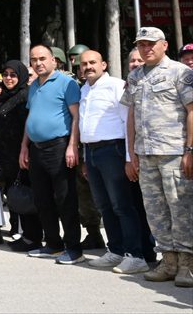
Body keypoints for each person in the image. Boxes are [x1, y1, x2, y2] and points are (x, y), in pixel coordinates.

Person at [122, 27, 193, 286]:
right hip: (146, 153)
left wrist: (190, 150)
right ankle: (169, 261)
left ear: (164, 45)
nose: (146, 48)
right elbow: (130, 116)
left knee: (181, 208)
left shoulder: (181, 72)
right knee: (155, 211)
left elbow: (191, 110)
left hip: (174, 152)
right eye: (141, 44)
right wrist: (132, 153)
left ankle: (188, 264)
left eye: (151, 43)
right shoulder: (135, 76)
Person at [78, 49, 152, 274]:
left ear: (104, 64)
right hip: (92, 153)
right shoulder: (84, 89)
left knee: (122, 205)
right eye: (84, 64)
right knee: (104, 206)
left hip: (114, 151)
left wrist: (130, 158)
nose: (88, 66)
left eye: (93, 62)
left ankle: (135, 254)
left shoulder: (117, 86)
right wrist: (84, 158)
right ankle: (116, 250)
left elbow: (127, 124)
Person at [19, 44, 84, 265]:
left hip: (59, 147)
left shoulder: (67, 84)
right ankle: (54, 244)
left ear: (54, 61)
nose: (38, 63)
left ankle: (74, 248)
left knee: (65, 199)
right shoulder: (34, 86)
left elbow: (76, 117)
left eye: (42, 58)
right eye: (34, 59)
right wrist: (24, 147)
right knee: (42, 199)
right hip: (36, 149)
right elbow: (31, 118)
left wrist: (72, 145)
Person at [0, 60, 40, 250]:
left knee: (25, 197)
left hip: (21, 156)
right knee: (17, 197)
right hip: (6, 158)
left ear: (22, 77)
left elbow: (27, 127)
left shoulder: (25, 96)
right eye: (6, 74)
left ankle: (32, 237)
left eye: (13, 75)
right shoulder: (6, 97)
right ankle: (26, 235)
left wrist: (24, 150)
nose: (8, 78)